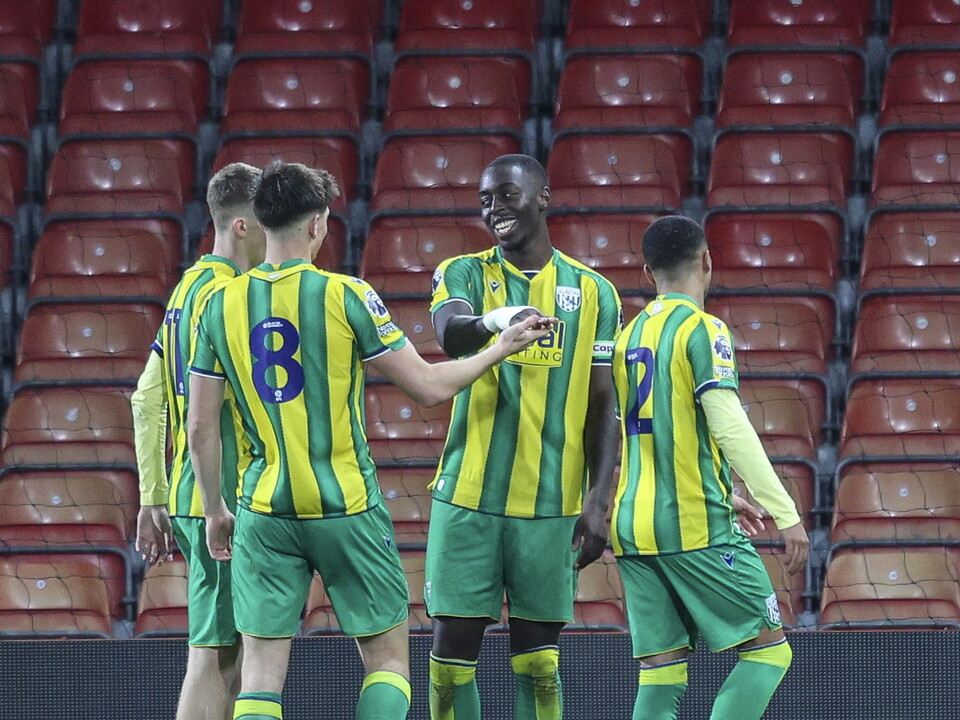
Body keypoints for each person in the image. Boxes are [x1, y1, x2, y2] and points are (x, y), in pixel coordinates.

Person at [186, 160, 555, 720]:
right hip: (347, 505)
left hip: (263, 506)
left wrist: (214, 508)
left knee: (260, 678)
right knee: (387, 664)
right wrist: (500, 347)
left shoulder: (218, 304)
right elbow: (429, 388)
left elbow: (199, 426)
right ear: (317, 225)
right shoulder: (347, 295)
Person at [425, 153, 622, 720]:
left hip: (552, 507)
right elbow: (450, 336)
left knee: (539, 668)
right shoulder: (462, 271)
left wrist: (597, 498)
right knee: (447, 669)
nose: (494, 209)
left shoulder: (594, 293)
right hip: (467, 500)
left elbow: (603, 401)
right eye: (486, 199)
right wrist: (496, 323)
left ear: (542, 197)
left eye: (507, 195)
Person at [610, 215, 810, 720]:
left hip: (633, 525)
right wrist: (784, 511)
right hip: (694, 523)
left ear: (647, 270)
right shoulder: (705, 329)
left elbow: (643, 435)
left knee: (662, 672)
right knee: (769, 651)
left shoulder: (626, 338)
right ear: (706, 260)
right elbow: (728, 425)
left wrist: (725, 489)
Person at [131, 162, 266, 720]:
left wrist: (153, 497)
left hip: (190, 498)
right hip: (222, 501)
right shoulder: (233, 295)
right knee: (215, 659)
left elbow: (146, 397)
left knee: (229, 653)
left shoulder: (186, 289)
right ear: (241, 224)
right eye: (268, 218)